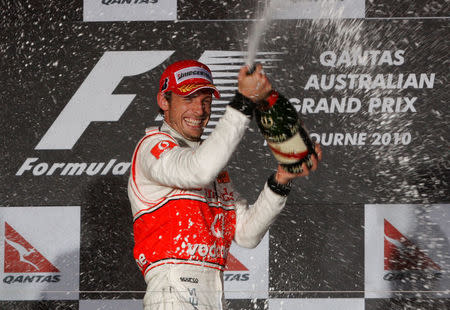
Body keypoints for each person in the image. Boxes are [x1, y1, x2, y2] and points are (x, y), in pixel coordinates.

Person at [127, 59, 321, 309]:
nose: (199, 110)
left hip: (212, 296)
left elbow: (246, 234)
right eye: (188, 99)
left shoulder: (210, 166)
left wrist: (281, 180)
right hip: (172, 295)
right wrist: (243, 101)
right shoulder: (153, 147)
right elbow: (198, 170)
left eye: (206, 101)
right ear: (164, 101)